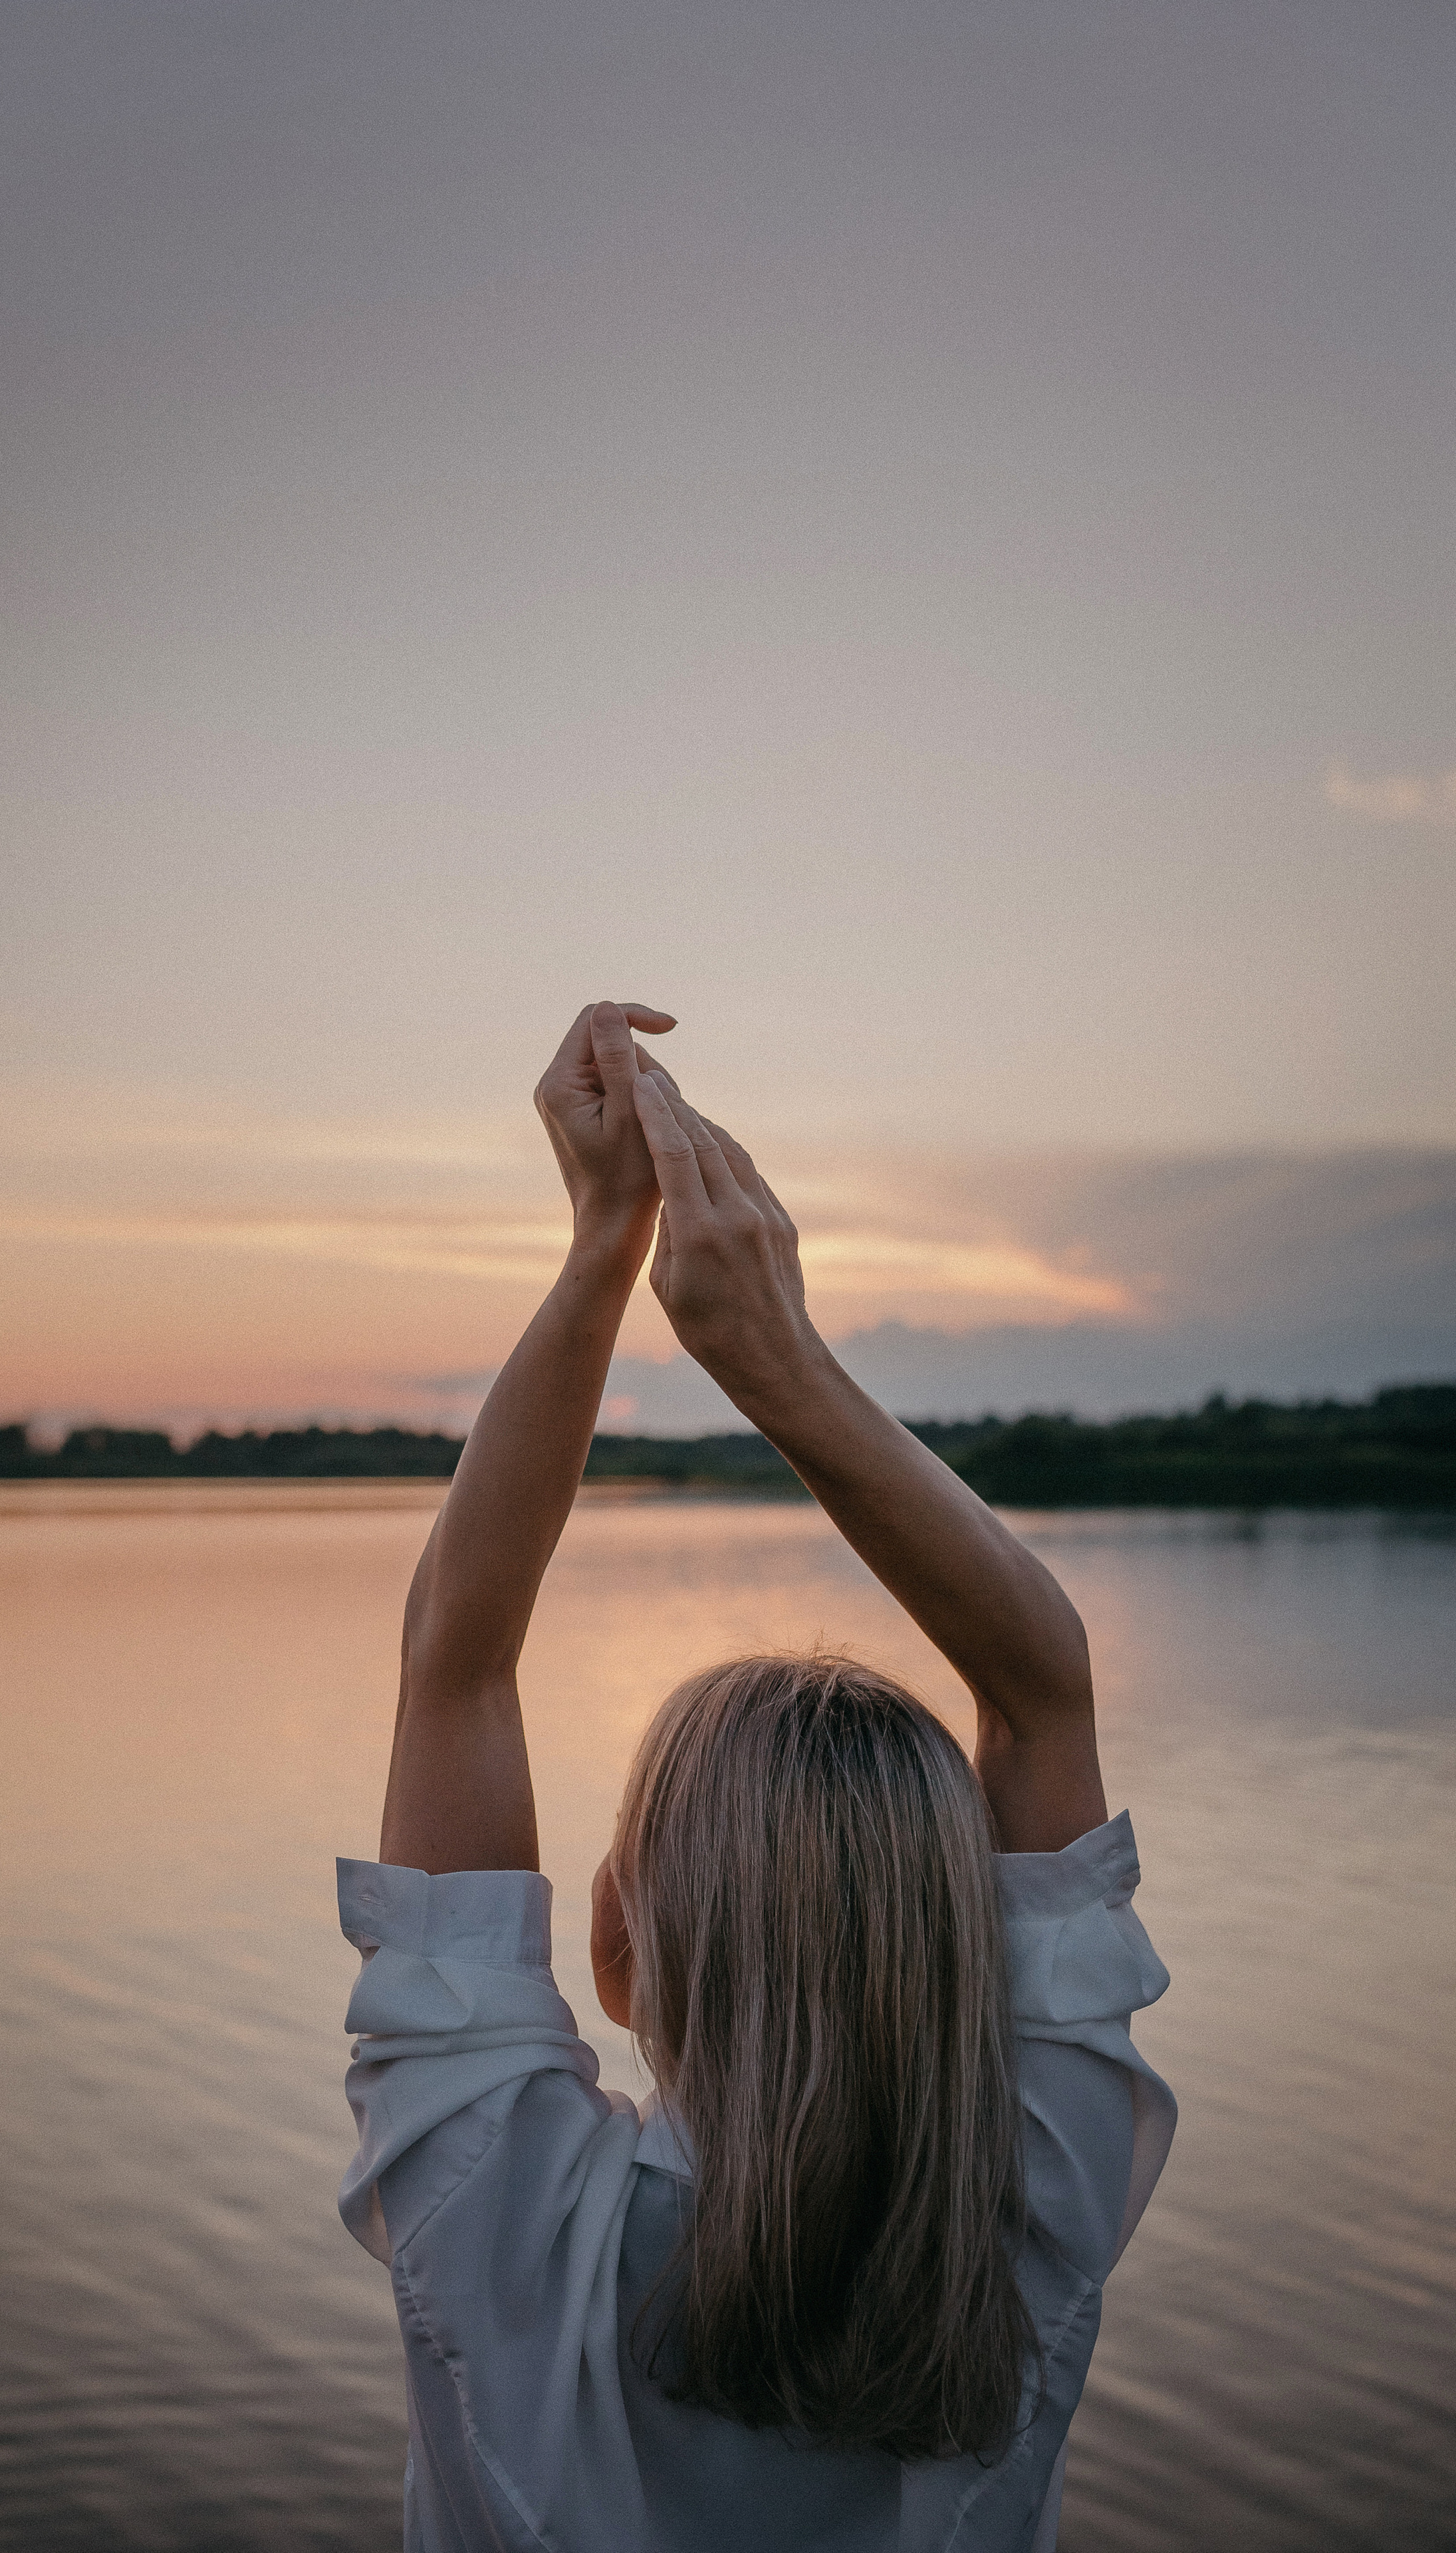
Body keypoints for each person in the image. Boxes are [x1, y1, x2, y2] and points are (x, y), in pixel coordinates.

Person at [339, 1001, 1175, 2552]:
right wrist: (769, 1356)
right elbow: (1040, 1680)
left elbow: (453, 1657)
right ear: (959, 1953)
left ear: (611, 1942)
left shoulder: (494, 2217)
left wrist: (601, 1242)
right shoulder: (1034, 2209)